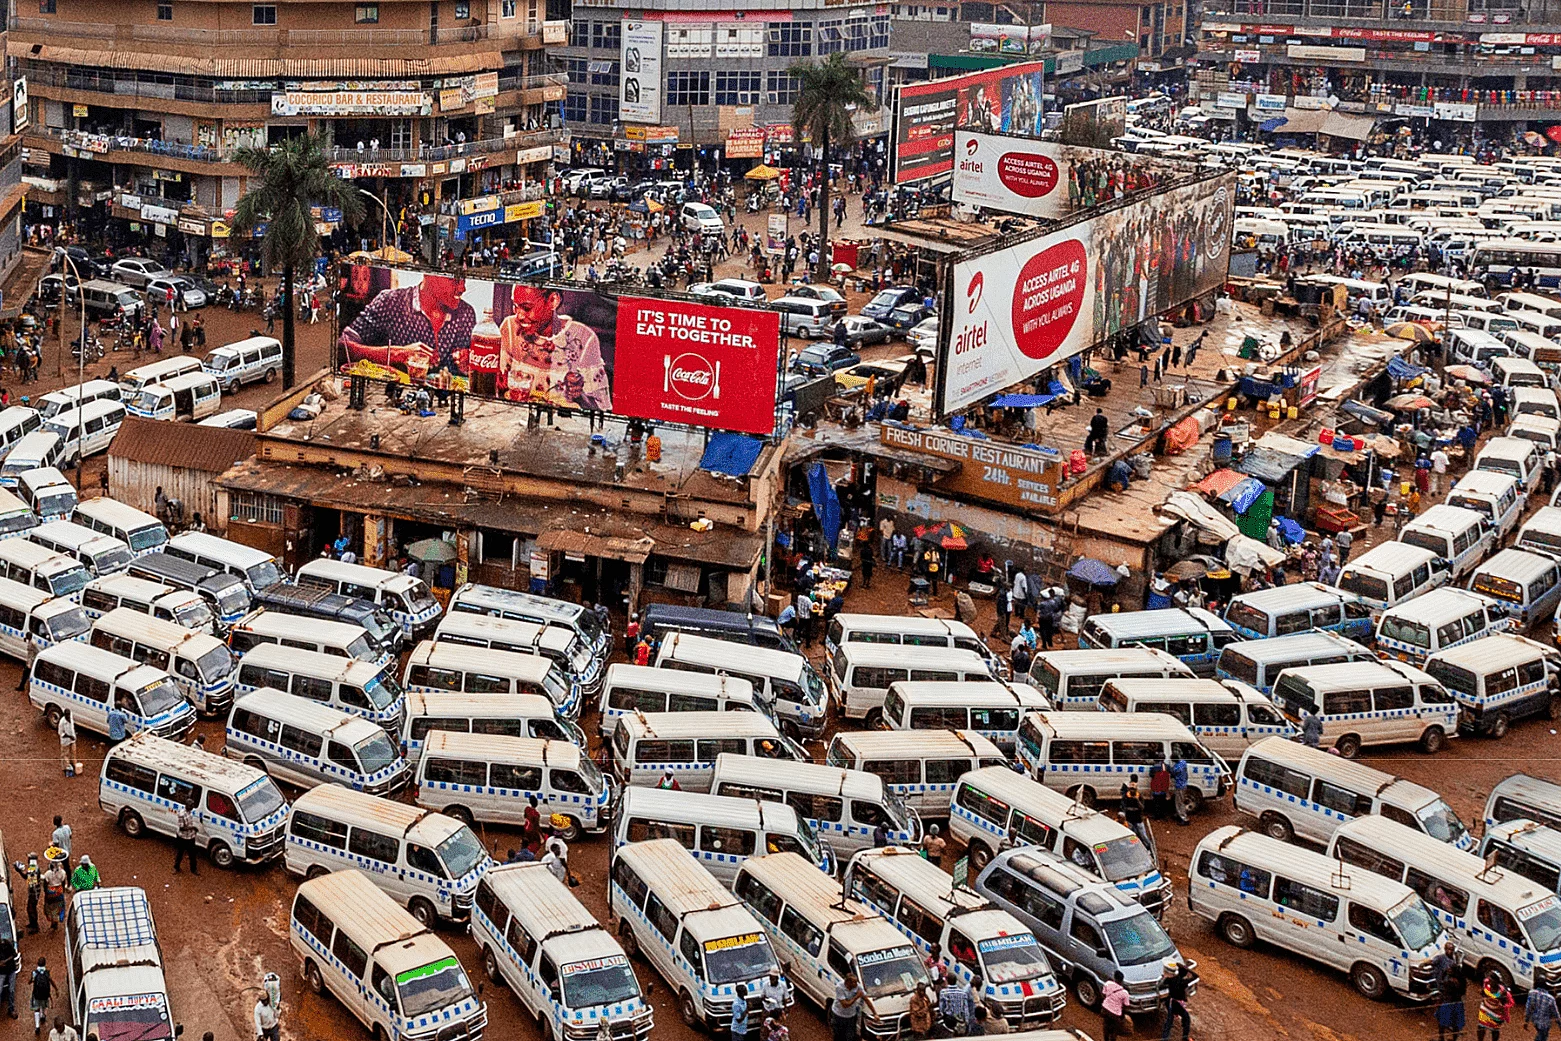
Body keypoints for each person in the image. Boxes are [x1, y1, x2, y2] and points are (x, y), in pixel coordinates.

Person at [340, 272, 476, 379]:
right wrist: (397, 354)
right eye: (454, 280)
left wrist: (468, 362)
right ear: (428, 275)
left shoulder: (467, 313)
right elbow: (342, 347)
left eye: (464, 280)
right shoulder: (390, 302)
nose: (462, 288)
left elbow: (467, 371)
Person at [496, 284, 612, 409]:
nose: (519, 316)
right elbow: (499, 390)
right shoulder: (509, 327)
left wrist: (579, 395)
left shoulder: (584, 338)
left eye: (527, 308)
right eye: (515, 306)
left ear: (553, 301)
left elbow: (601, 410)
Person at [1434, 941, 1467, 1041]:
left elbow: (1445, 991)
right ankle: (1453, 1039)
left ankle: (1441, 1038)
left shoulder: (1450, 981)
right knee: (1455, 1024)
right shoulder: (1461, 979)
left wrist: (1440, 1001)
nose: (1448, 970)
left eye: (1450, 970)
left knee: (1442, 1022)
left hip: (1448, 1003)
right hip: (1457, 1003)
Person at [1160, 961, 1192, 1041]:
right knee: (1186, 1018)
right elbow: (1195, 976)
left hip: (1170, 1001)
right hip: (1177, 1003)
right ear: (1184, 974)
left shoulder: (1171, 979)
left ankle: (1165, 1038)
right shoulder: (1183, 982)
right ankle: (1185, 1037)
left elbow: (1162, 984)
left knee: (1170, 1020)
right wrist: (1190, 970)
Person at [1480, 973, 1515, 1041]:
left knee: (1495, 1030)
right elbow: (1482, 993)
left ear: (1496, 981)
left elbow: (1511, 1003)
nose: (1490, 982)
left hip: (1496, 1014)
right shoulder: (1486, 985)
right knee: (1481, 1027)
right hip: (1484, 1010)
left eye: (1491, 980)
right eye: (1489, 980)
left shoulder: (1503, 992)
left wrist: (1504, 1006)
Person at [1101, 971, 1131, 1041]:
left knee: (1106, 1025)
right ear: (1122, 980)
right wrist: (1122, 1015)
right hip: (1115, 1013)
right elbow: (1126, 1005)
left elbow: (1103, 994)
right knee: (1114, 1030)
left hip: (1105, 1009)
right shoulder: (1125, 993)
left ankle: (1105, 1039)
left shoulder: (1108, 984)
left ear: (1114, 977)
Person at [29, 957, 55, 1037]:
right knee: (43, 1005)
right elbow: (51, 981)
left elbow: (30, 981)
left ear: (37, 963)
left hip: (36, 994)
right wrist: (56, 989)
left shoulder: (35, 972)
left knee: (36, 1009)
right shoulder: (47, 972)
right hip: (45, 995)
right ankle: (43, 1016)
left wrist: (31, 980)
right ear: (45, 963)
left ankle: (37, 1026)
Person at [173, 799, 200, 875]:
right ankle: (176, 867)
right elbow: (182, 828)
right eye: (191, 805)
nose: (192, 807)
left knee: (192, 854)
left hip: (191, 836)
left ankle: (193, 869)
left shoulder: (190, 813)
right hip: (182, 837)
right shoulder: (182, 814)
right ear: (187, 805)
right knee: (180, 853)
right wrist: (193, 828)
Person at [40, 861, 64, 932]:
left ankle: (53, 923)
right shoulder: (62, 872)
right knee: (57, 907)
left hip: (50, 893)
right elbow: (63, 882)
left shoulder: (47, 874)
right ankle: (55, 922)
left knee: (49, 908)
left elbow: (45, 884)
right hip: (59, 892)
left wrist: (46, 892)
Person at [0, 934, 16, 1019]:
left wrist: (5, 961)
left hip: (11, 970)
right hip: (1, 972)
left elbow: (14, 954)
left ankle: (11, 1009)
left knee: (11, 990)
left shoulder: (7, 943)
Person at [57, 711, 76, 778]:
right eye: (67, 715)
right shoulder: (62, 722)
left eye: (69, 715)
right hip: (65, 741)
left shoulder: (71, 718)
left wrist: (73, 735)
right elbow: (60, 733)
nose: (68, 716)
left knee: (73, 752)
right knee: (65, 754)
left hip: (72, 740)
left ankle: (74, 765)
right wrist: (69, 736)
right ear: (64, 715)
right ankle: (66, 768)